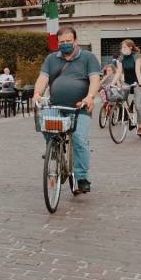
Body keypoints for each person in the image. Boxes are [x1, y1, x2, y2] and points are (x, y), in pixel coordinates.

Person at [32, 26, 101, 194]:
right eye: (62, 42)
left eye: (68, 41)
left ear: (75, 41)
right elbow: (43, 78)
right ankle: (53, 149)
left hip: (80, 108)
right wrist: (37, 93)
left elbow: (94, 79)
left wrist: (90, 96)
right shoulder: (51, 58)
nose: (65, 44)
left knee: (79, 139)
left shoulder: (88, 57)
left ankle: (81, 177)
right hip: (56, 106)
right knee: (44, 124)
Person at [114, 39, 141, 136]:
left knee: (138, 105)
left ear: (130, 47)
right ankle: (128, 116)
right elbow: (118, 72)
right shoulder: (121, 58)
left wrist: (140, 82)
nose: (122, 49)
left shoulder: (137, 56)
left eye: (124, 47)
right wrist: (112, 83)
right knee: (120, 99)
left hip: (138, 83)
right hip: (127, 82)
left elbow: (137, 70)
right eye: (122, 47)